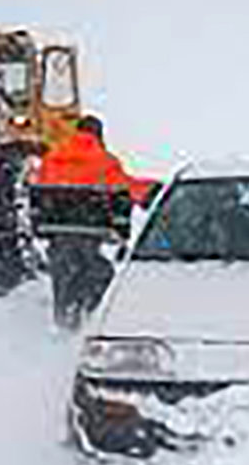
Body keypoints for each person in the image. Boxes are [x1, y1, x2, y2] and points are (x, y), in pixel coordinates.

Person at [34, 115, 157, 328]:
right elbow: (125, 188)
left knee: (63, 271)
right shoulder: (104, 160)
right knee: (97, 271)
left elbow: (40, 187)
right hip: (90, 230)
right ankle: (89, 319)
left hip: (56, 230)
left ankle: (64, 319)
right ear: (98, 135)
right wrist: (154, 190)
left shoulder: (51, 157)